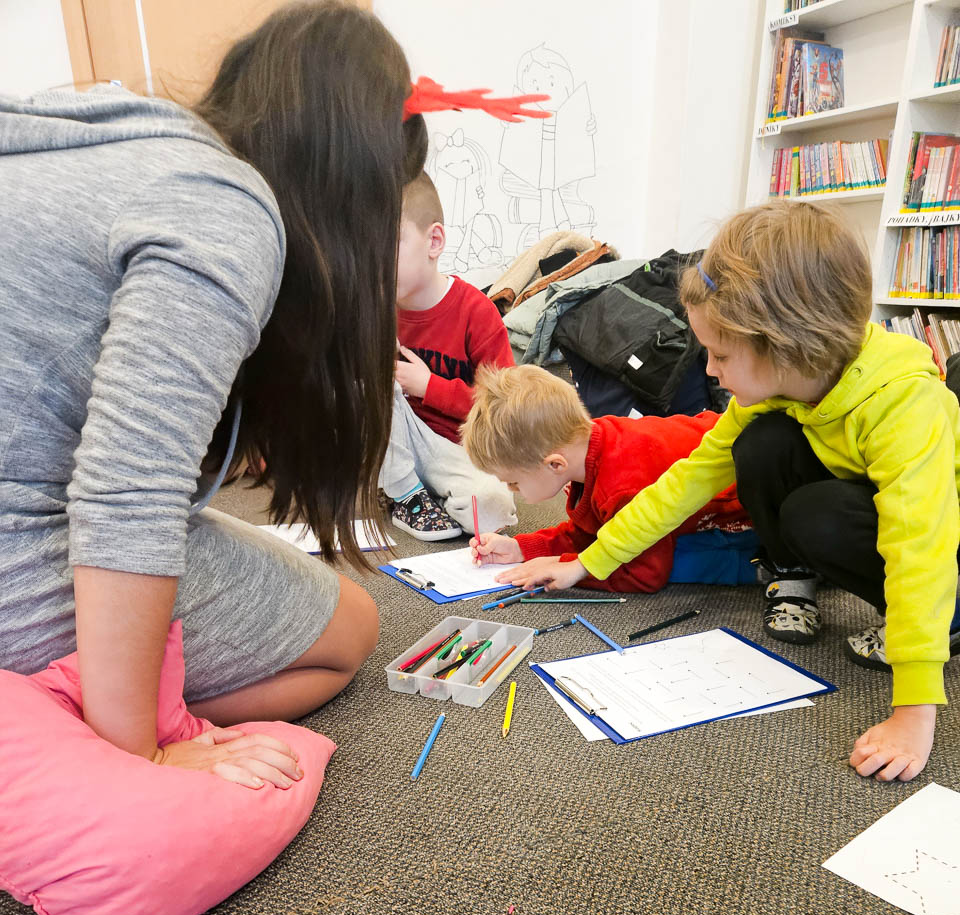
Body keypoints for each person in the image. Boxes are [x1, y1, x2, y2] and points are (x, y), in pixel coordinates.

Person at [0, 2, 430, 791]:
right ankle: (76, 737)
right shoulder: (221, 205)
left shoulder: (114, 138)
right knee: (350, 631)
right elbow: (127, 495)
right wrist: (142, 754)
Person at [503, 201, 960, 784]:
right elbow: (685, 483)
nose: (710, 372)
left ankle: (947, 621)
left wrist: (914, 710)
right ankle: (792, 577)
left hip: (943, 550)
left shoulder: (904, 404)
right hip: (869, 511)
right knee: (761, 444)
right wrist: (585, 563)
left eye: (720, 355)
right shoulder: (778, 388)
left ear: (787, 346)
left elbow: (919, 547)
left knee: (816, 513)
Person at [462, 365, 744, 591]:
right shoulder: (587, 445)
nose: (511, 489)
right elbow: (594, 533)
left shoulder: (621, 486)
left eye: (513, 482)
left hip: (747, 506)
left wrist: (568, 566)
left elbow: (644, 575)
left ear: (555, 464)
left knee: (677, 560)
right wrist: (521, 548)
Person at [385, 172, 517, 540]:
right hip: (393, 442)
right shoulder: (377, 310)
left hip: (457, 450)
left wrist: (430, 387)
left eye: (389, 244)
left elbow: (505, 409)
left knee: (492, 507)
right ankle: (406, 494)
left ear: (434, 241)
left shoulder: (477, 313)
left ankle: (415, 490)